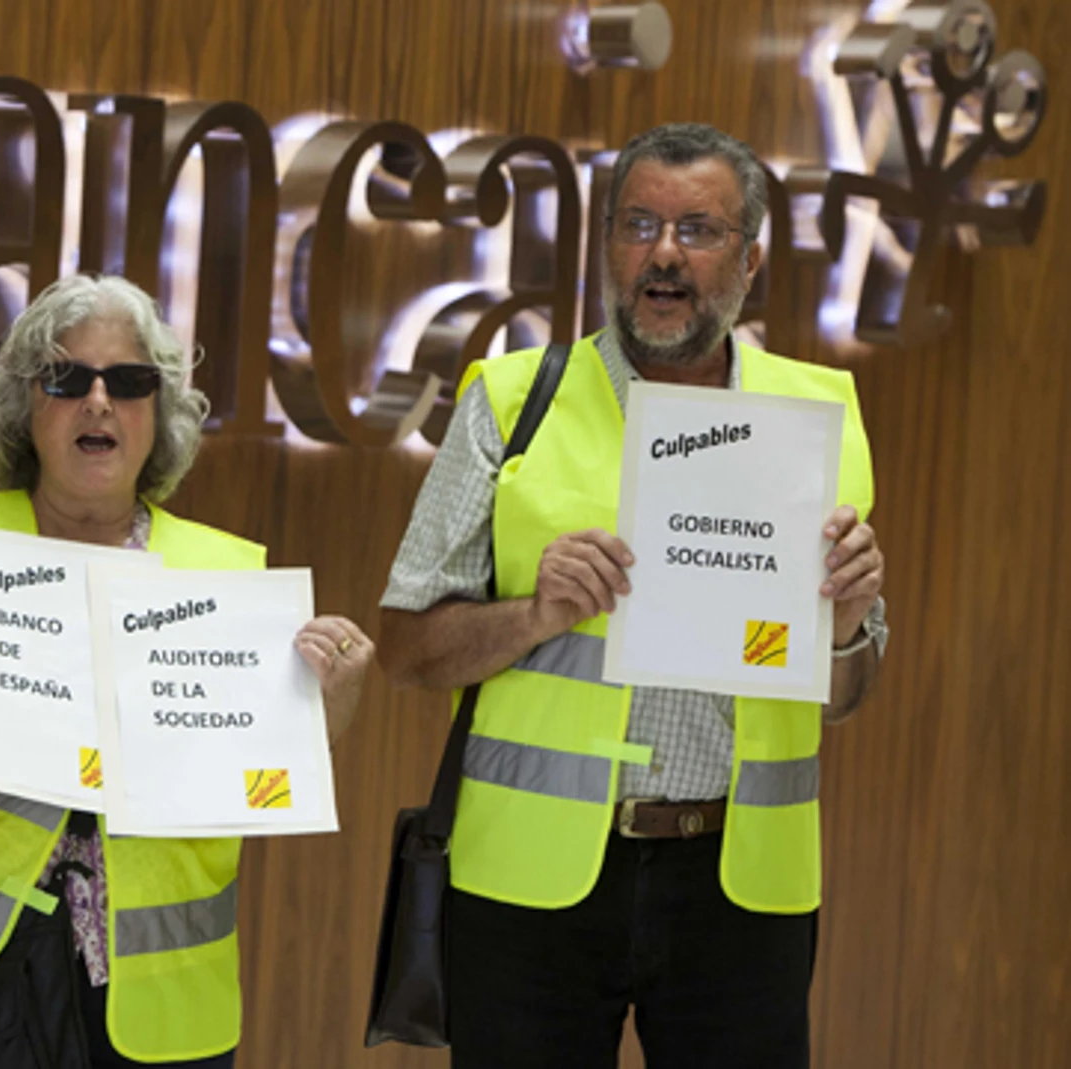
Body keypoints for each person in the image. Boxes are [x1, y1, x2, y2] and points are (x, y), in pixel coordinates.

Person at [376, 122, 889, 1068]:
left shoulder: (815, 420)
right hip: (530, 886)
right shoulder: (511, 398)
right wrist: (533, 614)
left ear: (752, 260)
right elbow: (405, 649)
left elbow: (846, 698)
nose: (663, 252)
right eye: (639, 223)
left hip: (742, 891)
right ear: (607, 244)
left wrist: (848, 630)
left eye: (698, 230)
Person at [0, 274, 374, 1068]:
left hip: (156, 1010)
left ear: (157, 414)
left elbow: (268, 772)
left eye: (130, 382)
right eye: (68, 378)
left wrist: (332, 704)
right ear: (27, 406)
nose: (99, 401)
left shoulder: (225, 581)